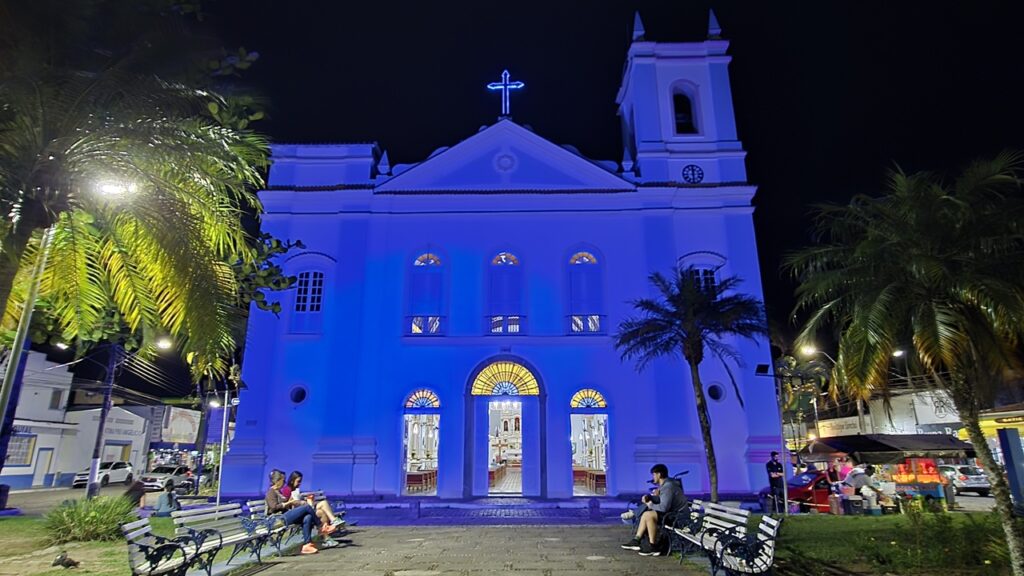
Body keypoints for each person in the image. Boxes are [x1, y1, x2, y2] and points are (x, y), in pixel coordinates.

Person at [621, 464, 687, 557]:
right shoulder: (667, 485)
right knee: (646, 514)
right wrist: (651, 497)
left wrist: (650, 504)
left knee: (648, 515)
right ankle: (637, 540)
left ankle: (652, 546)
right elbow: (663, 501)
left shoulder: (668, 487)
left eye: (653, 474)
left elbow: (663, 508)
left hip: (678, 518)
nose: (653, 477)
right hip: (674, 514)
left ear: (659, 474)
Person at [265, 469, 336, 554]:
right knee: (306, 507)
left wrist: (291, 501)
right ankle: (321, 527)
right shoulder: (271, 492)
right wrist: (289, 503)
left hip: (285, 515)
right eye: (283, 480)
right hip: (279, 519)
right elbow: (274, 507)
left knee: (307, 517)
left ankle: (307, 545)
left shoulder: (278, 491)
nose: (284, 483)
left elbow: (285, 504)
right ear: (277, 481)